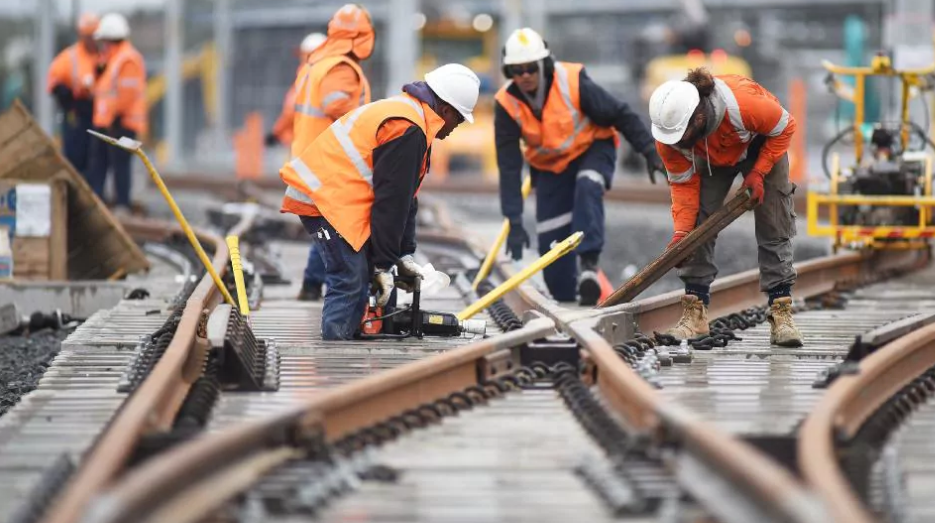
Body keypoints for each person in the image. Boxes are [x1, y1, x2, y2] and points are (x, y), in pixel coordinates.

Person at [279, 63, 479, 340]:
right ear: (446, 110)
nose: (456, 128)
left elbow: (406, 197)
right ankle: (336, 354)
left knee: (358, 276)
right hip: (325, 200)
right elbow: (391, 202)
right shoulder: (408, 129)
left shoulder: (414, 119)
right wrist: (384, 265)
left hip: (338, 200)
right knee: (350, 279)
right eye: (459, 119)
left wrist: (403, 254)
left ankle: (352, 337)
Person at [494, 27, 666, 305]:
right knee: (557, 280)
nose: (524, 75)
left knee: (588, 184)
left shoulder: (572, 81)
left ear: (543, 64)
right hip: (551, 168)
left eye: (529, 68)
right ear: (508, 71)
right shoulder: (506, 104)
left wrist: (649, 150)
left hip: (592, 150)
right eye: (516, 69)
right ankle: (574, 290)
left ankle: (589, 265)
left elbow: (620, 113)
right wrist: (514, 222)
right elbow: (509, 167)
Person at [649, 67, 803, 347]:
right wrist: (683, 236)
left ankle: (781, 314)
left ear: (698, 118)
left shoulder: (744, 105)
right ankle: (695, 315)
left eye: (681, 136)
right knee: (697, 224)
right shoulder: (670, 138)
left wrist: (759, 172)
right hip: (712, 156)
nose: (677, 143)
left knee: (774, 221)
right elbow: (684, 188)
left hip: (760, 145)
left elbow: (785, 126)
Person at [280, 4, 375, 302]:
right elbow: (337, 106)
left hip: (311, 157)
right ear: (361, 37)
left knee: (328, 228)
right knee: (335, 229)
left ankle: (312, 286)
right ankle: (325, 296)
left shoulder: (318, 63)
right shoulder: (340, 67)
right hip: (329, 163)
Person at [86, 12, 147, 212]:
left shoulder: (128, 59)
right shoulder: (112, 59)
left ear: (110, 40)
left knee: (120, 164)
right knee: (100, 163)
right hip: (107, 123)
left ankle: (122, 205)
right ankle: (98, 202)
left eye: (103, 41)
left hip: (122, 123)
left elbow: (126, 94)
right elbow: (104, 91)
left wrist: (115, 118)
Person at [47, 12, 101, 173]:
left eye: (94, 36)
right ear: (81, 35)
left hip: (98, 113)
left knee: (96, 160)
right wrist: (68, 99)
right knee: (75, 156)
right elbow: (53, 83)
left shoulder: (103, 57)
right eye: (88, 36)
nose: (91, 40)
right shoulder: (69, 57)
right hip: (76, 114)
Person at [266, 32, 327, 149]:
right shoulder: (333, 74)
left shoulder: (306, 76)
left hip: (304, 143)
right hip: (324, 143)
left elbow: (290, 109)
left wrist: (277, 132)